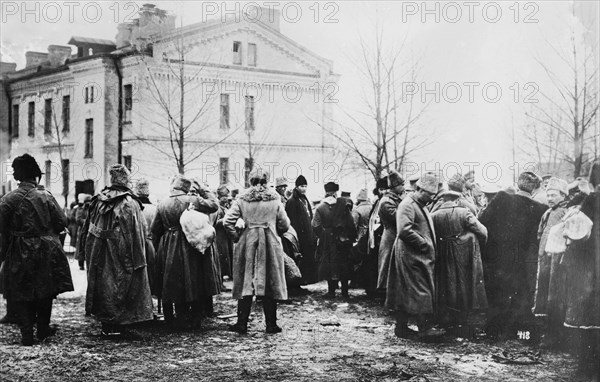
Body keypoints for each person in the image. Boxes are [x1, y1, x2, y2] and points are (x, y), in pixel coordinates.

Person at [0, 154, 74, 345]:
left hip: (19, 249)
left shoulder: (7, 199)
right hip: (46, 249)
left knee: (21, 289)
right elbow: (62, 222)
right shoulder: (45, 196)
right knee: (46, 289)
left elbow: (2, 229)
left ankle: (26, 333)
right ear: (34, 175)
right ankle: (42, 329)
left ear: (18, 176)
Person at [82, 164, 153, 336]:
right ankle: (122, 323)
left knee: (105, 284)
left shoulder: (98, 199)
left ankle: (107, 322)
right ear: (127, 181)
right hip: (122, 251)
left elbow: (88, 227)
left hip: (100, 251)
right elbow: (138, 231)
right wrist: (138, 258)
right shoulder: (129, 202)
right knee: (123, 283)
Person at [479, 171, 547, 335]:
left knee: (498, 291)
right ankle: (519, 330)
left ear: (517, 184)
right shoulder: (540, 208)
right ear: (534, 188)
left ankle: (494, 329)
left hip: (498, 256)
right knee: (520, 291)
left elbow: (482, 222)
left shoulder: (502, 198)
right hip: (523, 259)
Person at [223, 170, 290, 334]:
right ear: (267, 181)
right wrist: (274, 230)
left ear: (251, 181)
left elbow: (227, 222)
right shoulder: (275, 199)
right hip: (269, 243)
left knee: (246, 282)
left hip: (248, 243)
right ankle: (271, 325)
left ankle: (242, 323)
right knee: (270, 281)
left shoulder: (242, 199)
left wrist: (237, 237)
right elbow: (285, 224)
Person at [151, 175, 219, 330]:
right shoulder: (192, 200)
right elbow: (214, 205)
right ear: (187, 188)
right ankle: (194, 320)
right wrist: (203, 189)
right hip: (190, 243)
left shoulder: (162, 203)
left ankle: (173, 320)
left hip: (168, 244)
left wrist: (157, 249)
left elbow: (155, 229)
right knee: (193, 280)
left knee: (171, 280)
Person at [386, 172, 445, 339]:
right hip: (412, 254)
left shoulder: (418, 203)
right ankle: (424, 328)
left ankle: (402, 327)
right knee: (421, 289)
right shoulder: (408, 204)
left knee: (406, 290)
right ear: (420, 189)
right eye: (429, 194)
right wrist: (424, 244)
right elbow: (404, 230)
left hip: (416, 254)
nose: (432, 198)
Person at [562, 163, 599, 379]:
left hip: (591, 268)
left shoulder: (592, 200)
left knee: (590, 320)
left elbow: (578, 233)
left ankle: (587, 369)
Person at [431, 190, 488, 329]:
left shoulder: (433, 215)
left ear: (443, 200)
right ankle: (463, 316)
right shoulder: (464, 212)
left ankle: (447, 316)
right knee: (463, 281)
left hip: (442, 252)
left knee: (446, 282)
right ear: (457, 200)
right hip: (462, 252)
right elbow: (482, 231)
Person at [532, 177, 569, 349]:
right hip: (546, 259)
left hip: (558, 262)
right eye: (548, 195)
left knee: (555, 295)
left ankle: (555, 336)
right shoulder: (548, 212)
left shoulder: (565, 212)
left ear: (563, 195)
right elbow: (540, 234)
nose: (550, 198)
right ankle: (547, 332)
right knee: (545, 293)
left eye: (553, 195)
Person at [313, 181, 358, 298]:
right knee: (344, 263)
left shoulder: (320, 208)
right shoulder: (343, 205)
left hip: (328, 238)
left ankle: (331, 291)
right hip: (342, 238)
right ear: (335, 193)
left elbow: (315, 225)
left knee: (329, 263)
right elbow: (350, 222)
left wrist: (323, 236)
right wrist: (351, 236)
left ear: (326, 192)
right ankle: (344, 292)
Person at [285, 175, 317, 285]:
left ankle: (305, 280)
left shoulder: (304, 200)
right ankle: (298, 282)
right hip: (298, 236)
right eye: (302, 186)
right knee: (299, 259)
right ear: (297, 187)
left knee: (307, 258)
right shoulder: (293, 201)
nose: (304, 188)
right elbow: (292, 220)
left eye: (305, 186)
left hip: (307, 235)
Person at [377, 170, 405, 291]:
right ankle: (385, 290)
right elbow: (397, 218)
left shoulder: (394, 199)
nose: (403, 187)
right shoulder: (387, 201)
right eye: (401, 185)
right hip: (390, 236)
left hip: (395, 235)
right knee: (387, 263)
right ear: (394, 186)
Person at [134, 179, 158, 297]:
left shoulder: (134, 208)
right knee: (150, 273)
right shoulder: (154, 209)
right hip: (151, 244)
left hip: (136, 245)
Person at [215, 185, 233, 284]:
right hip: (219, 236)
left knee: (227, 255)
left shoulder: (225, 205)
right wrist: (226, 219)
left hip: (226, 235)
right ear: (220, 196)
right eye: (226, 196)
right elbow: (214, 222)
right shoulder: (216, 207)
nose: (227, 198)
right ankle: (220, 282)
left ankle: (225, 278)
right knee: (221, 257)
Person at [74, 193, 92, 270]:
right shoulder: (80, 209)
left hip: (91, 231)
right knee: (81, 247)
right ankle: (81, 264)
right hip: (82, 231)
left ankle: (89, 264)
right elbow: (78, 219)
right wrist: (88, 222)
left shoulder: (93, 210)